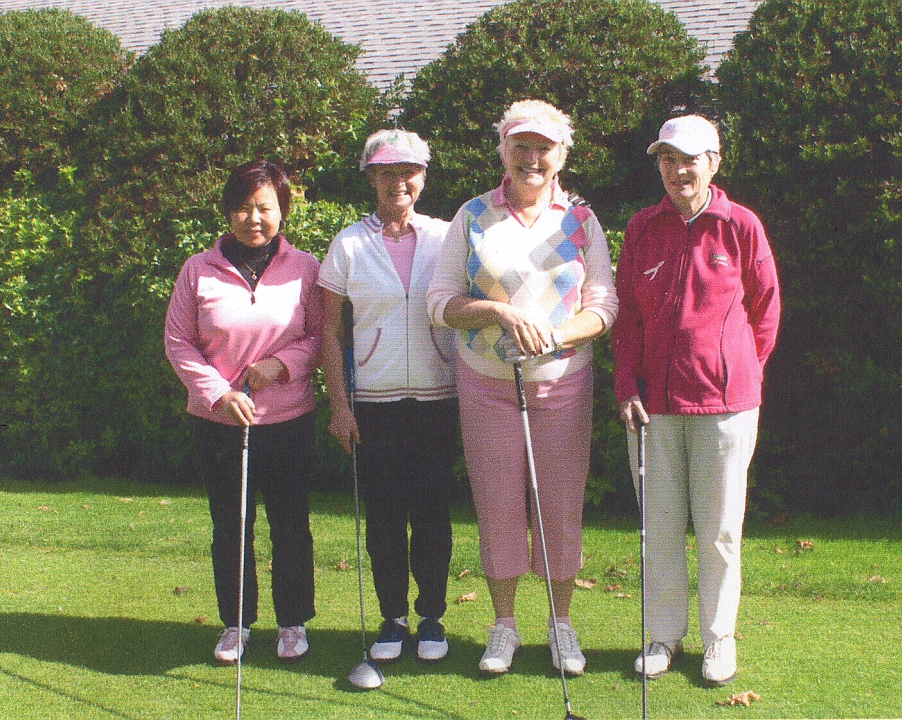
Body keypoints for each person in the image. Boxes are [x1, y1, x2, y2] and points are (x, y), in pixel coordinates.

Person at [427, 99, 618, 677]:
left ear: (562, 155)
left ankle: (562, 626)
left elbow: (604, 306)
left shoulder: (580, 222)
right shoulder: (473, 214)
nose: (532, 159)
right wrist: (499, 313)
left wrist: (555, 335)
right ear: (503, 151)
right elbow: (440, 305)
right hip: (486, 385)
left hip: (562, 384)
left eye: (544, 148)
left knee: (560, 508)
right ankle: (504, 626)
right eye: (521, 147)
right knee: (498, 508)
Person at [613, 115, 780, 686]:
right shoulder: (642, 227)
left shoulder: (741, 225)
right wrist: (625, 386)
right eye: (666, 159)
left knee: (719, 529)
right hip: (651, 406)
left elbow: (765, 309)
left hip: (727, 406)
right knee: (658, 527)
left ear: (714, 161)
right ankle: (663, 635)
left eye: (689, 159)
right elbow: (627, 317)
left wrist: (740, 374)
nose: (677, 170)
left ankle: (718, 639)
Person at [165, 160, 322, 665]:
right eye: (243, 207)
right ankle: (236, 623)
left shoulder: (306, 268)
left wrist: (282, 363)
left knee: (290, 523)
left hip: (289, 418)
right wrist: (218, 393)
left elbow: (320, 337)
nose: (253, 218)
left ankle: (293, 622)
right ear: (227, 211)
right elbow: (179, 342)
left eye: (265, 207)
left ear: (283, 211)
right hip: (219, 422)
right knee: (231, 524)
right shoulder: (197, 269)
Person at [318, 129, 458, 663]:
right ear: (371, 178)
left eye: (408, 172)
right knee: (382, 516)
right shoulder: (349, 244)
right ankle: (393, 619)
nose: (397, 182)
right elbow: (330, 331)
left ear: (422, 177)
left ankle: (433, 620)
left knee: (432, 513)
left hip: (437, 397)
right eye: (385, 172)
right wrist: (339, 404)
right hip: (374, 403)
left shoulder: (448, 237)